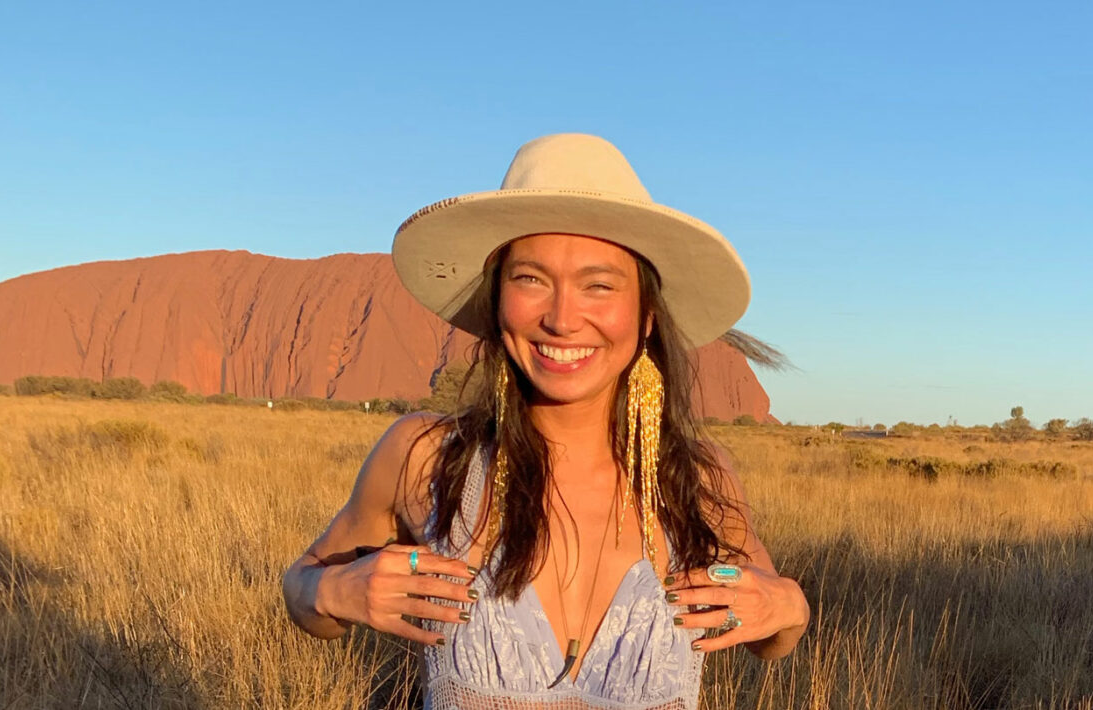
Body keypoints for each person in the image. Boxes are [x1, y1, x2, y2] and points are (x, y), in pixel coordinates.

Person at [282, 133, 810, 709]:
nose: (561, 318)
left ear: (647, 314)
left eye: (599, 285)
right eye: (530, 279)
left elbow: (777, 639)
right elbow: (303, 591)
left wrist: (791, 606)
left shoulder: (696, 478)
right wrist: (335, 590)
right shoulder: (425, 456)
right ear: (497, 299)